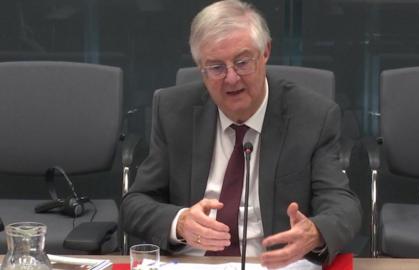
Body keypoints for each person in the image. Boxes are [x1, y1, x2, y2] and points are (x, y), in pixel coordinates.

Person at [120, 0, 361, 268]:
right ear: (201, 68)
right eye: (216, 67)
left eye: (242, 62)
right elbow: (135, 204)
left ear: (265, 52)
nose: (232, 78)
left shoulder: (313, 116)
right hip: (193, 263)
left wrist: (315, 232)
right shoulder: (173, 111)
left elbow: (343, 205)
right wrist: (180, 222)